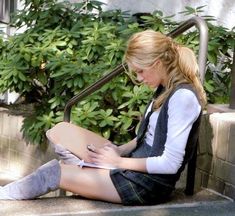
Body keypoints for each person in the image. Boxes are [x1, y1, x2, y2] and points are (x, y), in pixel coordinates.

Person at [0, 30, 207, 205]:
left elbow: (169, 164)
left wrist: (118, 162)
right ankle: (86, 174)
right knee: (60, 133)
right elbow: (146, 137)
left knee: (51, 173)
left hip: (146, 185)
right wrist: (119, 150)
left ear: (159, 63)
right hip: (131, 163)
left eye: (141, 71)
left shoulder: (183, 98)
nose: (139, 79)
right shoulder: (164, 89)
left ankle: (8, 194)